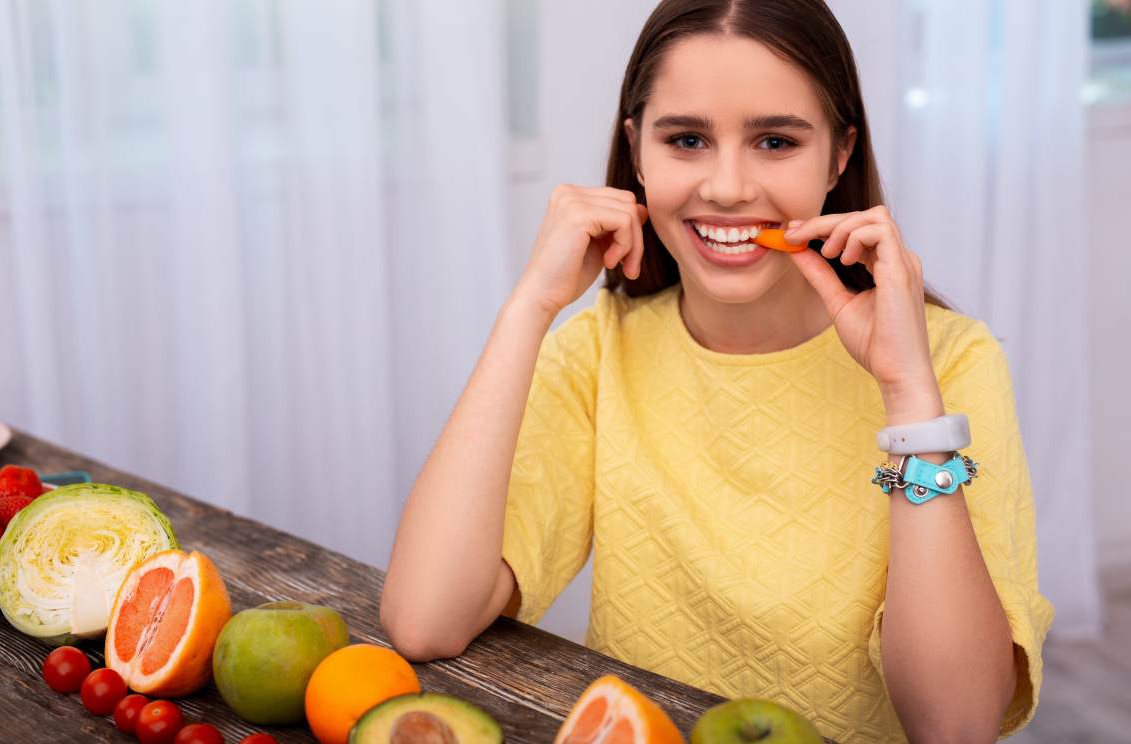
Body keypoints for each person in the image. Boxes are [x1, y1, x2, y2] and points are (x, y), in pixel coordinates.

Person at [380, 1, 1053, 741]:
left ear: (838, 155)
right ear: (638, 152)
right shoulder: (602, 352)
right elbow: (424, 620)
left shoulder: (952, 363)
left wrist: (907, 395)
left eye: (774, 140)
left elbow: (956, 724)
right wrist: (528, 308)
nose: (728, 187)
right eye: (688, 139)